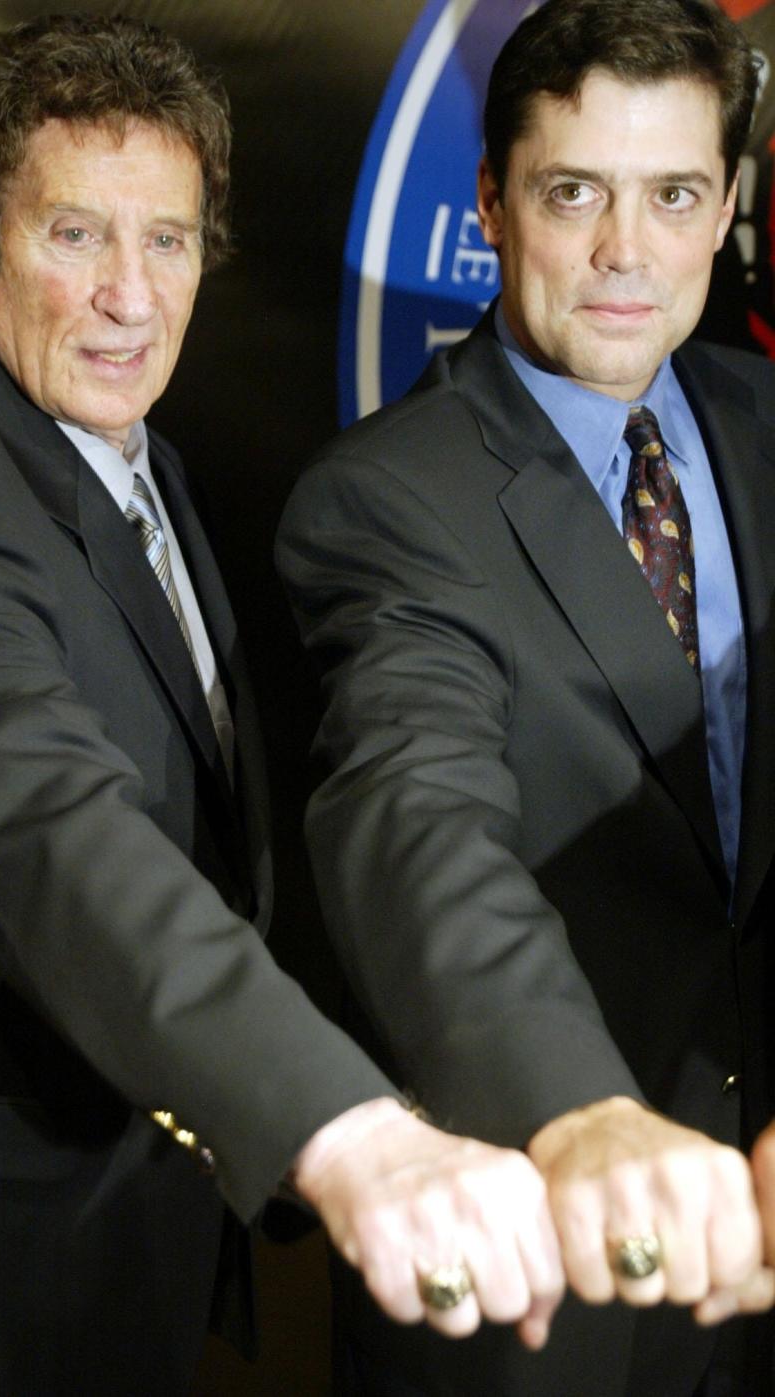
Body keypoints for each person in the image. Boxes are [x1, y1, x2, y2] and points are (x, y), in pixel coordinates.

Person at [0, 14, 567, 1394]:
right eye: (74, 236)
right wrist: (346, 1129)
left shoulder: (136, 463)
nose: (131, 295)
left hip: (114, 1236)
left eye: (166, 240)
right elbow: (59, 836)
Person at [277, 0, 775, 1392]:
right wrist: (578, 1107)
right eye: (575, 194)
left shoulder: (768, 431)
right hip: (547, 1271)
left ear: (726, 204)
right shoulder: (384, 499)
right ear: (493, 203)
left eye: (674, 194)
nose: (628, 251)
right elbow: (416, 817)